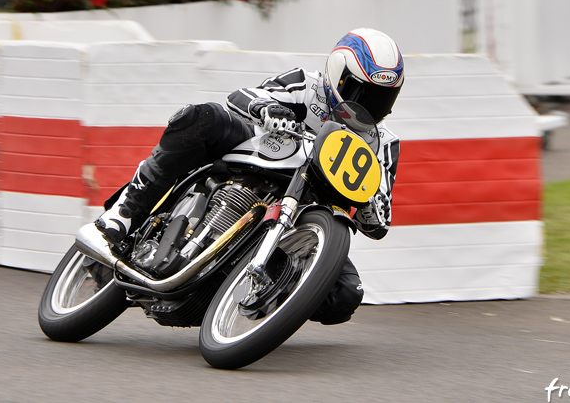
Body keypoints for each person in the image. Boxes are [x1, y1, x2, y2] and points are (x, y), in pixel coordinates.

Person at [96, 28, 403, 325]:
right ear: (337, 74)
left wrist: (368, 203)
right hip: (259, 158)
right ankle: (126, 211)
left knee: (345, 295)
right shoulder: (306, 85)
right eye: (361, 92)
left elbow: (380, 221)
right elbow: (243, 95)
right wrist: (266, 107)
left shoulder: (384, 143)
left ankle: (247, 300)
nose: (370, 105)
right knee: (203, 117)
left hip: (303, 214)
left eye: (381, 98)